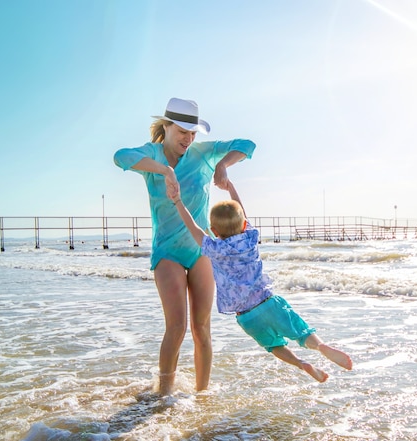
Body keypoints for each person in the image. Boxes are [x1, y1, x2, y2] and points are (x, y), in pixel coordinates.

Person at [113, 98, 256, 394]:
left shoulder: (203, 153)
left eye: (192, 134)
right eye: (182, 132)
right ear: (166, 128)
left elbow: (248, 144)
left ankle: (201, 397)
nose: (188, 139)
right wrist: (165, 171)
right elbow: (120, 156)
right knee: (176, 327)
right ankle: (163, 396)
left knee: (202, 329)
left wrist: (222, 165)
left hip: (201, 249)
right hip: (167, 252)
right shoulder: (151, 154)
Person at [168, 180, 353, 383]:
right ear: (244, 224)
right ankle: (320, 346)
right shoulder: (250, 238)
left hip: (247, 318)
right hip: (268, 303)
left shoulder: (214, 248)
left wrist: (177, 201)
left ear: (213, 230)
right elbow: (243, 214)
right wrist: (230, 188)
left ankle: (302, 364)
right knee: (301, 332)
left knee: (274, 346)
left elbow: (192, 227)